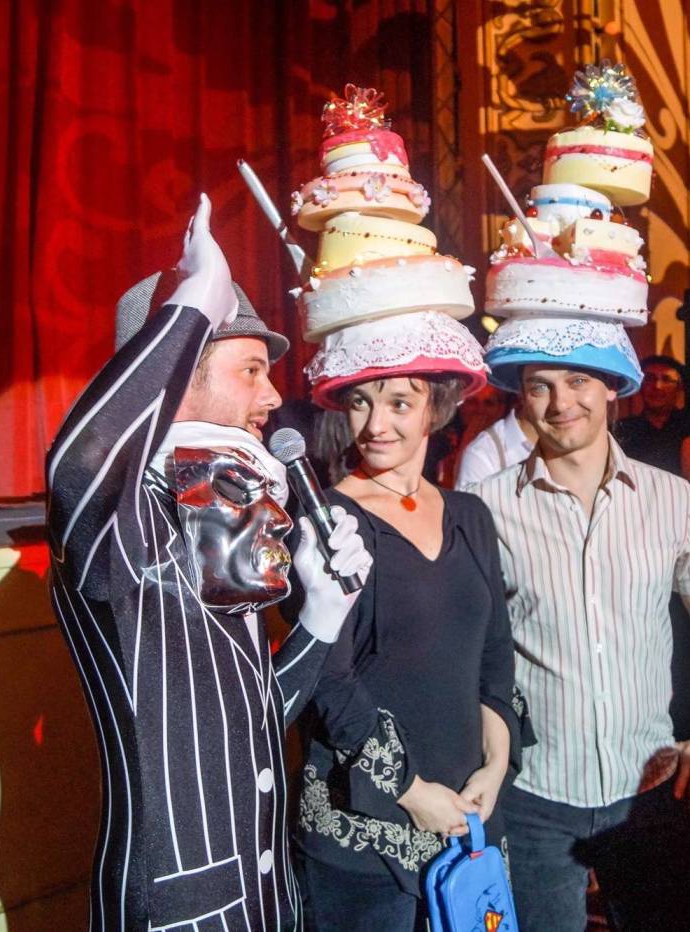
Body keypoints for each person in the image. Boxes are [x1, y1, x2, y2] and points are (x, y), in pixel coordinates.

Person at [45, 196, 371, 931]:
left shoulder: (224, 509)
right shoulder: (121, 517)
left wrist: (320, 620)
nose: (273, 395)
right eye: (250, 369)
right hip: (181, 910)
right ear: (175, 373)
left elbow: (249, 722)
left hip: (265, 898)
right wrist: (196, 300)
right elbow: (80, 462)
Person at [469, 317, 690, 931]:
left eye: (578, 380)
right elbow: (469, 649)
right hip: (533, 793)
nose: (560, 402)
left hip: (648, 788)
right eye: (540, 385)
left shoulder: (670, 498)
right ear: (520, 397)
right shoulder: (487, 506)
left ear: (612, 387)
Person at [291, 312, 523, 930]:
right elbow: (327, 680)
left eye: (399, 402)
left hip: (471, 813)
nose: (375, 425)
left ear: (434, 409)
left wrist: (495, 766)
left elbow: (495, 652)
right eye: (360, 403)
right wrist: (412, 793)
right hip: (365, 831)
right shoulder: (327, 523)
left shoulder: (470, 515)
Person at [614, 353, 690, 474]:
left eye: (666, 379)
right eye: (650, 379)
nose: (657, 386)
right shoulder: (622, 430)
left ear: (679, 388)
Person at [454, 395, 536, 487]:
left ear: (502, 407)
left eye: (489, 403)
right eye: (472, 401)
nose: (480, 410)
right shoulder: (479, 454)